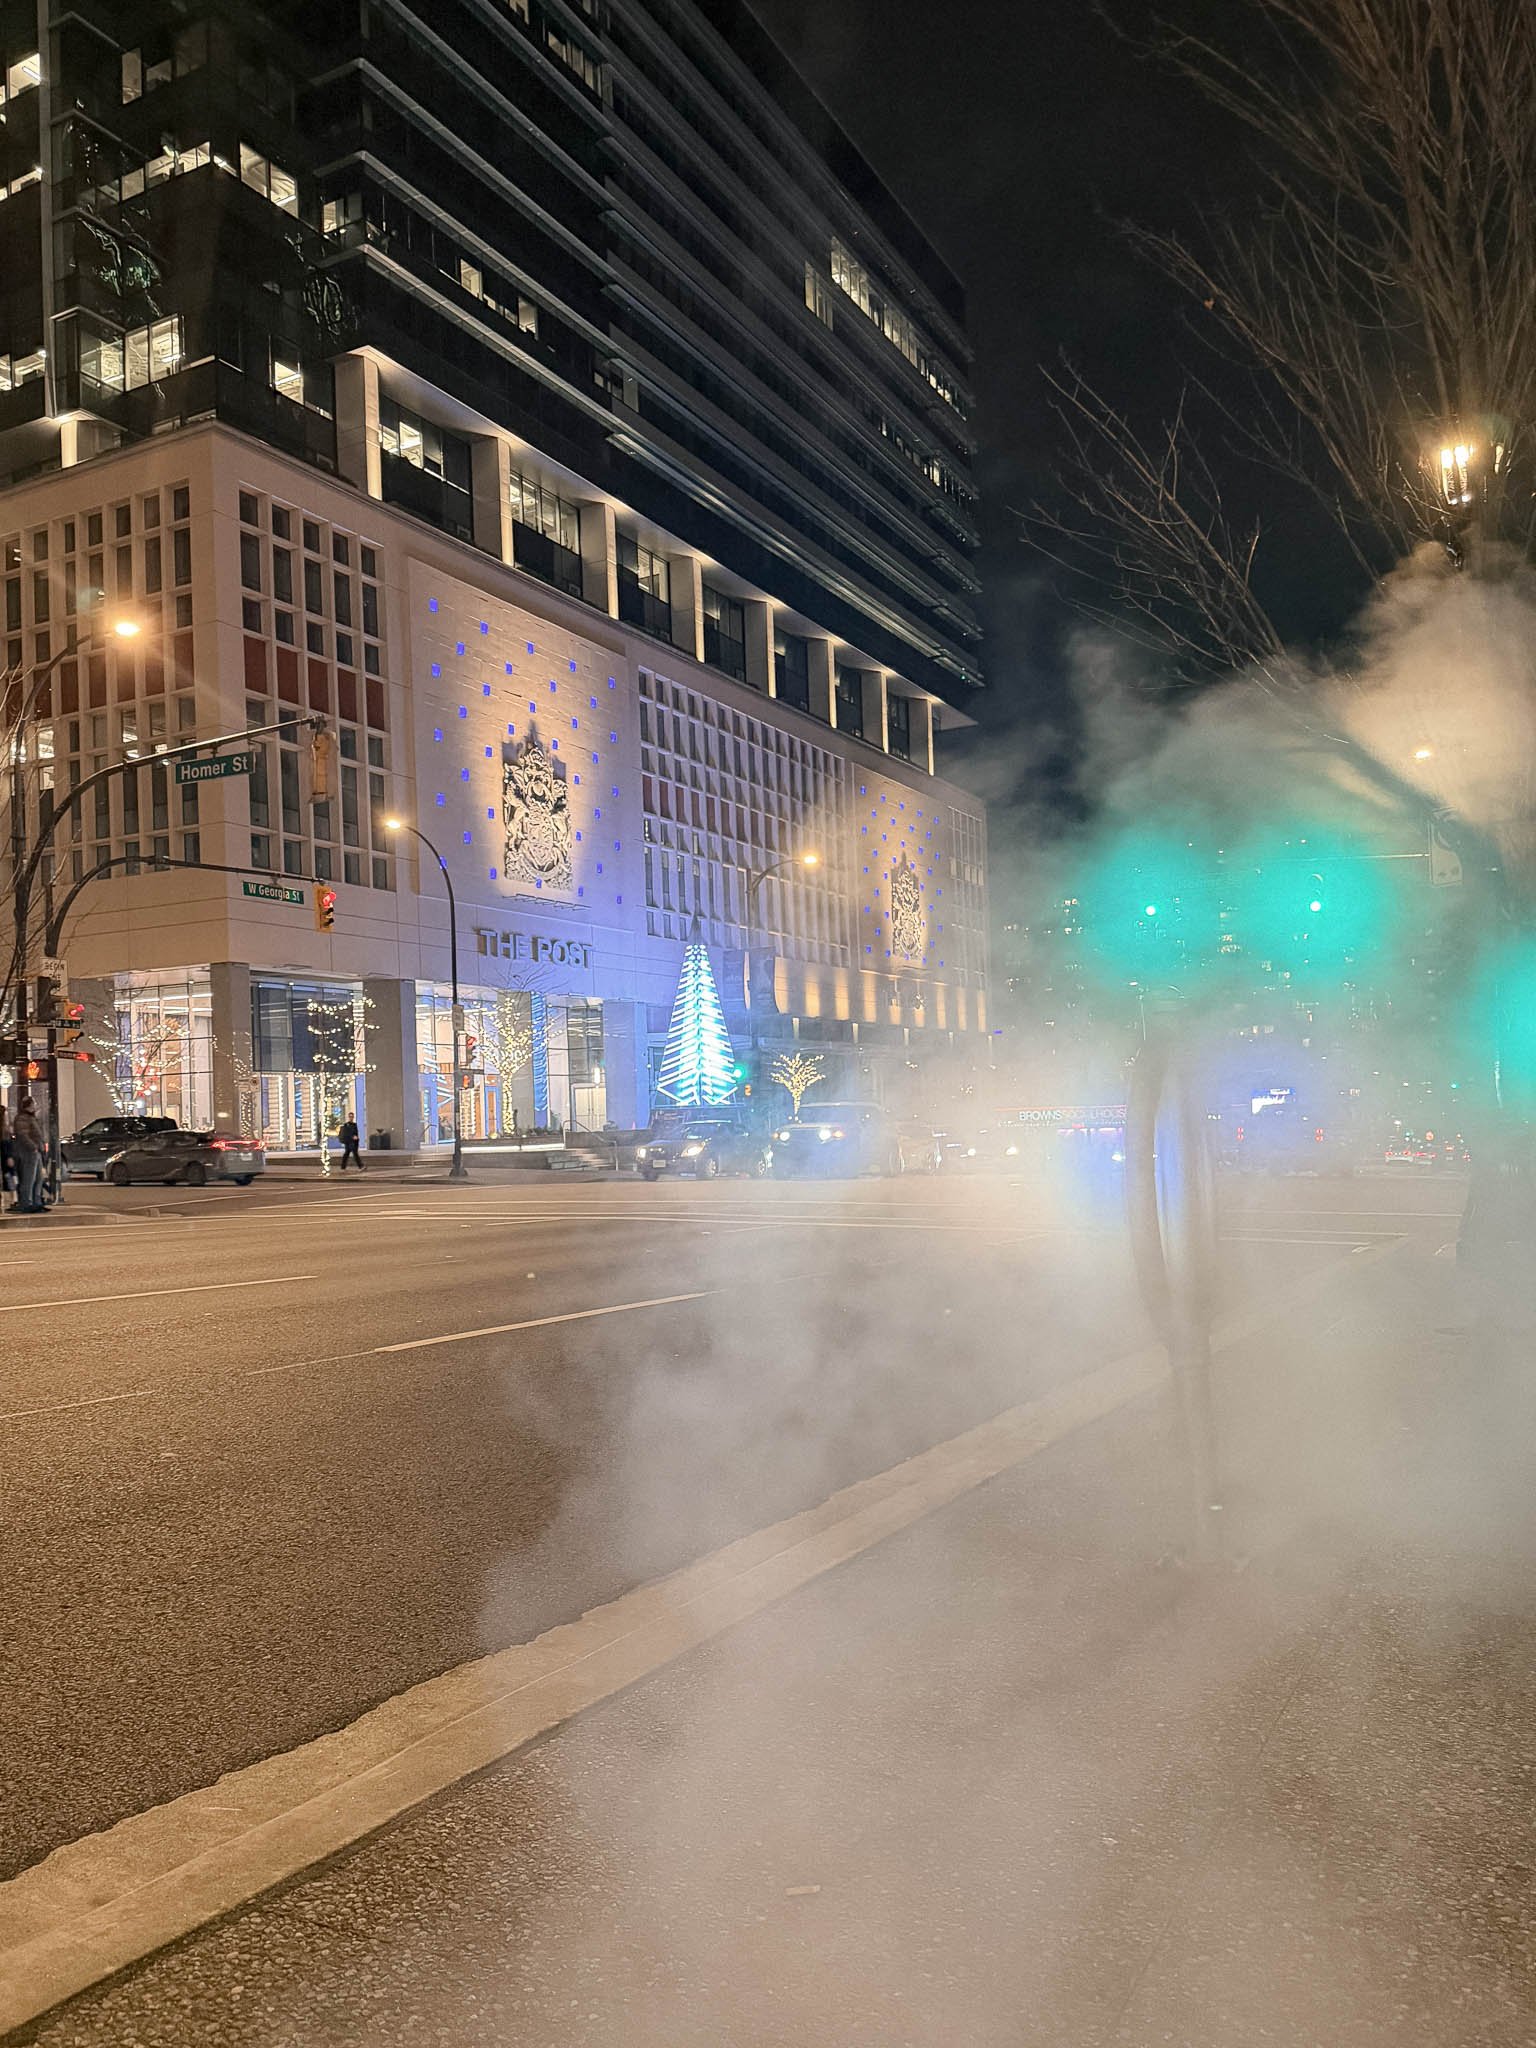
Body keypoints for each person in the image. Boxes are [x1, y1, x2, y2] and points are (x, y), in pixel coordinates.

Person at [11, 1095, 47, 1214]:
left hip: (35, 1151)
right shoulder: (23, 1118)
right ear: (30, 1105)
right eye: (34, 1103)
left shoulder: (30, 1118)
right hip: (28, 1152)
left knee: (38, 1178)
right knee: (29, 1178)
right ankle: (27, 1202)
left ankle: (37, 1202)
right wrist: (34, 1147)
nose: (35, 1106)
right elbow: (23, 1135)